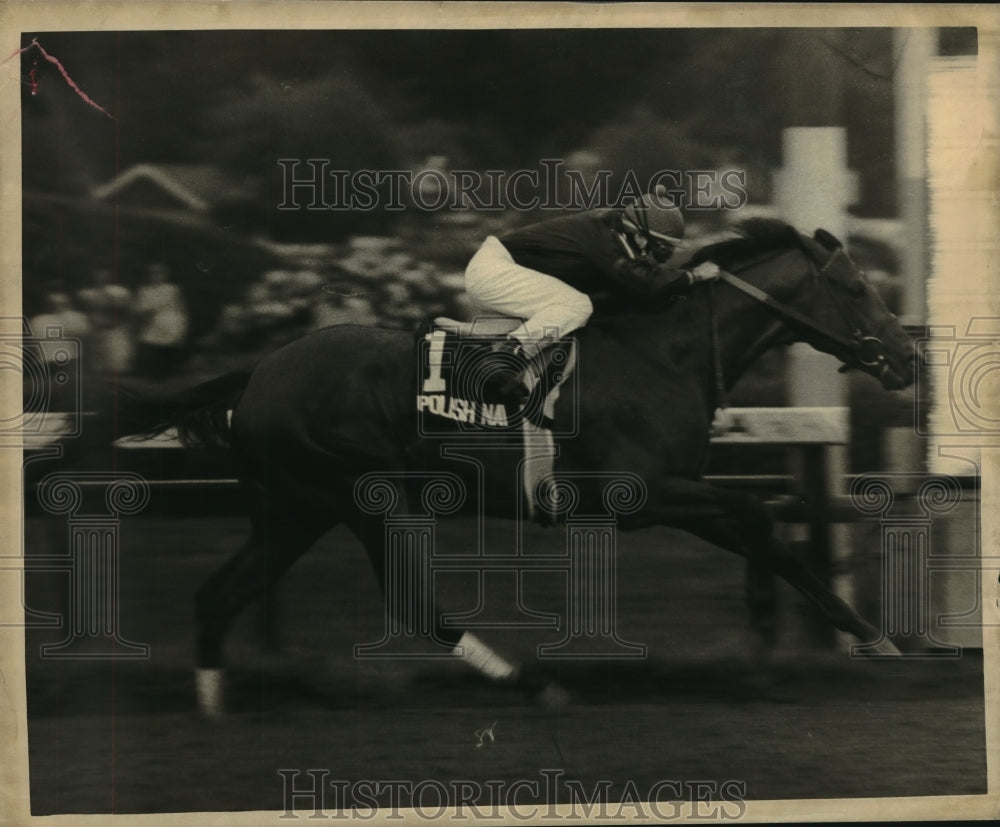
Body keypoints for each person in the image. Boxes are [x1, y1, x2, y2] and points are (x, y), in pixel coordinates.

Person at [463, 189, 722, 402]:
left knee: (587, 307)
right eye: (662, 248)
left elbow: (638, 289)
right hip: (493, 270)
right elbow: (644, 280)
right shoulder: (604, 239)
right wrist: (694, 276)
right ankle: (502, 361)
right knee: (578, 305)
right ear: (641, 237)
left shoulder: (613, 231)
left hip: (500, 267)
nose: (659, 258)